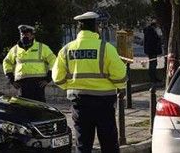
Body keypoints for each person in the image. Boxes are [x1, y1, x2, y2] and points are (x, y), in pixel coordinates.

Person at [52, 12, 127, 153]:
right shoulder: (106, 48)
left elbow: (57, 78)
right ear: (96, 27)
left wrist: (70, 86)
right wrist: (117, 86)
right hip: (104, 104)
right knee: (109, 144)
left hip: (80, 104)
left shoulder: (67, 49)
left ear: (79, 28)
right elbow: (121, 77)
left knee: (82, 145)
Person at [2, 24, 55, 102]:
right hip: (22, 84)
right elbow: (7, 62)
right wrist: (11, 79)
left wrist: (48, 78)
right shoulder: (15, 49)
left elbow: (53, 61)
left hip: (38, 84)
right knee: (24, 108)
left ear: (32, 36)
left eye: (27, 34)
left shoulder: (42, 47)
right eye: (22, 34)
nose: (24, 36)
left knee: (39, 108)